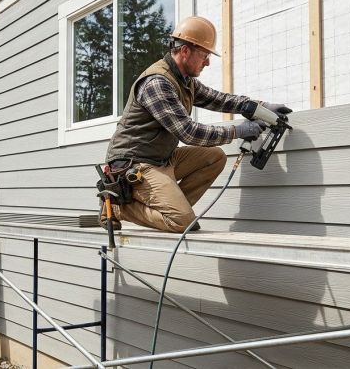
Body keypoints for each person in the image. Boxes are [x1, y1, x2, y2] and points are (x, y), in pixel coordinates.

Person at [103, 16, 292, 233]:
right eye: (204, 55)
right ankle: (118, 207)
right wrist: (237, 131)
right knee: (182, 222)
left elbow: (218, 99)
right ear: (185, 51)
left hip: (161, 159)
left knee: (215, 157)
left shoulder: (185, 81)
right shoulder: (157, 83)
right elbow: (189, 132)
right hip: (133, 163)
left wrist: (260, 106)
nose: (208, 62)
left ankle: (172, 207)